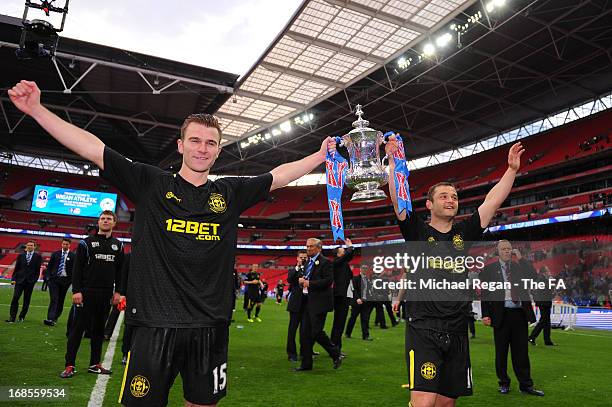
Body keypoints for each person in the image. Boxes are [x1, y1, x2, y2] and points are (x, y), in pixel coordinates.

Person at [8, 79, 334, 406]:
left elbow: (281, 175)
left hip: (210, 326)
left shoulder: (229, 193)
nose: (202, 148)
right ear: (180, 145)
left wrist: (320, 155)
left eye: (210, 142)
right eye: (194, 140)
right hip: (154, 324)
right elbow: (92, 148)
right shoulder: (151, 183)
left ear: (218, 150)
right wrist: (37, 110)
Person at [385, 135, 526, 407]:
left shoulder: (465, 233)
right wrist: (393, 162)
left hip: (458, 329)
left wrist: (511, 170)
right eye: (444, 196)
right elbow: (397, 199)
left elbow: (492, 202)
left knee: (447, 403)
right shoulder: (417, 231)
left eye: (454, 196)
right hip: (424, 329)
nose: (451, 200)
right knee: (424, 403)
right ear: (429, 204)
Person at [60, 210, 124, 378]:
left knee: (98, 331)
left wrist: (118, 292)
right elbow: (77, 269)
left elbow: (120, 271)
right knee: (77, 329)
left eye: (109, 219)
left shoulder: (118, 245)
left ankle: (95, 364)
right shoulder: (86, 243)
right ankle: (69, 365)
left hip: (106, 295)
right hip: (86, 293)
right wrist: (77, 291)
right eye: (102, 218)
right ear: (98, 222)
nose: (105, 221)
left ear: (114, 223)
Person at [480, 241, 544, 396]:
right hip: (501, 314)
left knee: (521, 352)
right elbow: (485, 293)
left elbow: (533, 276)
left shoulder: (518, 266)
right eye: (504, 249)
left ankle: (526, 385)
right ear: (498, 252)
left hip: (519, 314)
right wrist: (485, 314)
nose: (507, 252)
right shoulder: (489, 269)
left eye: (509, 249)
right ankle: (504, 383)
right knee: (501, 352)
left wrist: (521, 258)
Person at [294, 238, 342, 372]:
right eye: (307, 246)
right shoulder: (307, 262)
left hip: (320, 303)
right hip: (307, 302)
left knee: (315, 332)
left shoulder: (326, 262)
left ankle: (335, 353)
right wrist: (301, 281)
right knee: (304, 334)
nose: (308, 248)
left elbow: (328, 281)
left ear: (319, 248)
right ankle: (306, 364)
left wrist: (310, 284)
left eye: (311, 246)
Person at [6, 240, 42, 323]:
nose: (29, 246)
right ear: (26, 246)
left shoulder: (38, 257)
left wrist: (34, 280)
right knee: (15, 297)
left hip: (30, 282)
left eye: (31, 245)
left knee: (26, 299)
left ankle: (22, 316)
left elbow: (37, 270)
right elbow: (17, 268)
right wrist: (13, 279)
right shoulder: (21, 256)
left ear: (34, 247)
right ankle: (12, 317)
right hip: (19, 280)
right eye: (28, 245)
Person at [44, 238, 75, 326]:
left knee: (61, 300)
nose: (65, 246)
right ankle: (50, 318)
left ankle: (55, 317)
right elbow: (49, 267)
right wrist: (48, 278)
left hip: (66, 281)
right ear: (61, 244)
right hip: (54, 280)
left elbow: (74, 269)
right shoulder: (55, 254)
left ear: (70, 245)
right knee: (54, 299)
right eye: (64, 244)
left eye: (67, 244)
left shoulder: (73, 256)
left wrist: (71, 280)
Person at [330, 238, 354, 354]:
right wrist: (350, 246)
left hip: (344, 295)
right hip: (340, 295)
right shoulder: (336, 262)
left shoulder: (342, 263)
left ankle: (335, 346)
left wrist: (350, 248)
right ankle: (335, 348)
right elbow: (348, 255)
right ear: (338, 254)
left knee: (340, 322)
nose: (344, 251)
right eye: (342, 250)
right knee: (339, 322)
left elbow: (349, 256)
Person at [286, 250, 308, 362]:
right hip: (295, 304)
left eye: (305, 257)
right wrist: (297, 268)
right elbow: (289, 280)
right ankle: (291, 353)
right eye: (301, 257)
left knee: (305, 331)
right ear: (297, 258)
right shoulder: (292, 270)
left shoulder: (310, 270)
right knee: (292, 330)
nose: (303, 259)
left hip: (307, 304)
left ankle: (305, 352)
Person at [345, 265, 373, 341]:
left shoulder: (368, 280)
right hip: (357, 302)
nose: (365, 270)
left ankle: (366, 336)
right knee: (353, 318)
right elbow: (354, 289)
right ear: (360, 269)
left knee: (365, 319)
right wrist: (357, 298)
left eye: (366, 268)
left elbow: (368, 290)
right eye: (363, 268)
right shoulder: (356, 278)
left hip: (365, 302)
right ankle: (348, 333)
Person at [529, 266, 555, 346]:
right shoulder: (542, 280)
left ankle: (546, 340)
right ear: (544, 272)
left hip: (544, 303)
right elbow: (544, 292)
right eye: (548, 271)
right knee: (544, 321)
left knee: (546, 322)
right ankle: (532, 337)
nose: (549, 272)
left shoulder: (542, 280)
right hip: (544, 303)